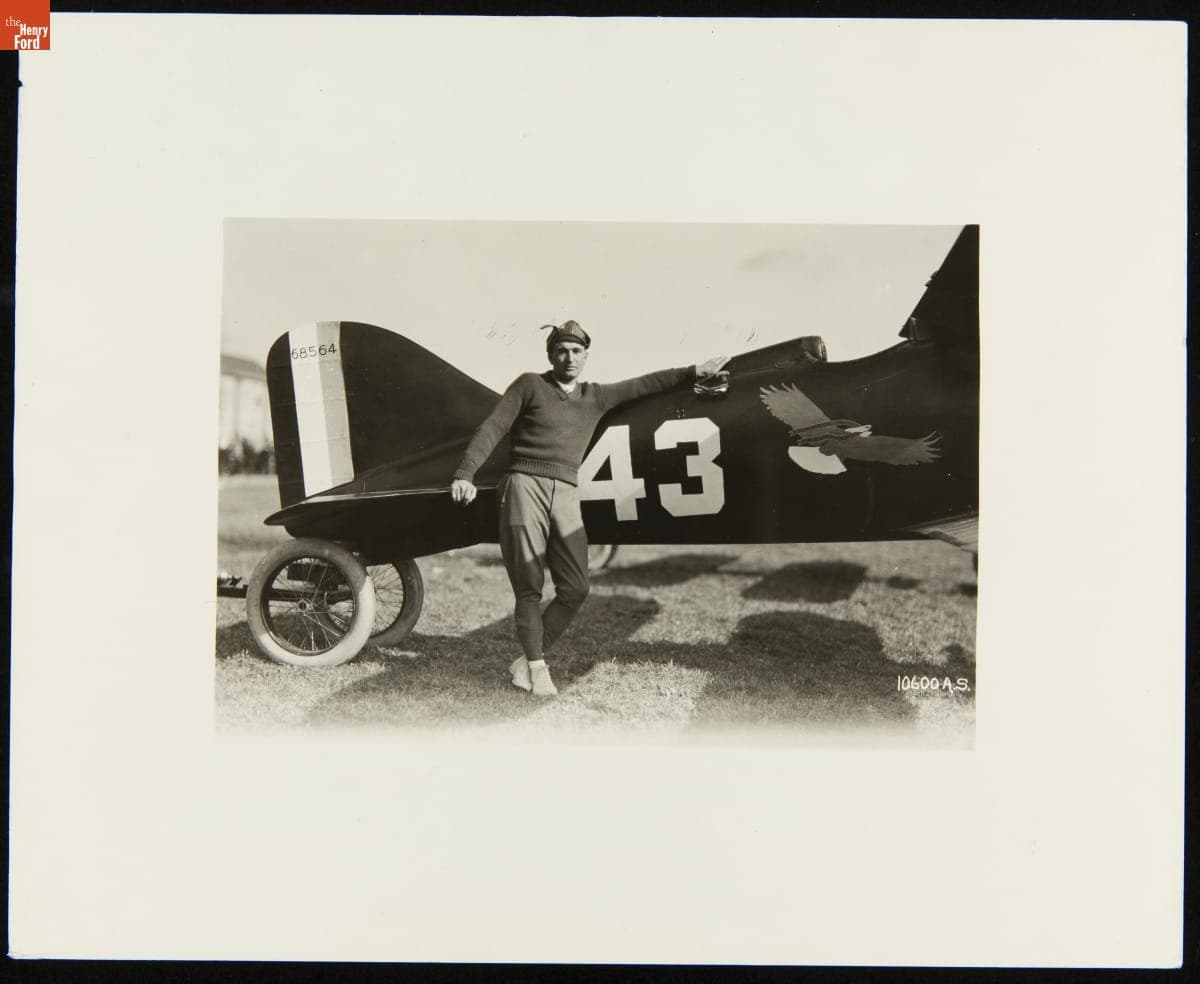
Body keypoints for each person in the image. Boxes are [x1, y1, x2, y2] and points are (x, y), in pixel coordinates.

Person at [451, 320, 729, 697]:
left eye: (577, 351)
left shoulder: (596, 396)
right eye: (562, 350)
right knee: (529, 587)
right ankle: (537, 669)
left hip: (565, 492)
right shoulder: (530, 384)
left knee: (576, 588)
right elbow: (492, 427)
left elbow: (644, 384)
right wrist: (466, 473)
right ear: (550, 354)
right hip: (523, 487)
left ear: (586, 357)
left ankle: (526, 661)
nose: (569, 357)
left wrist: (694, 372)